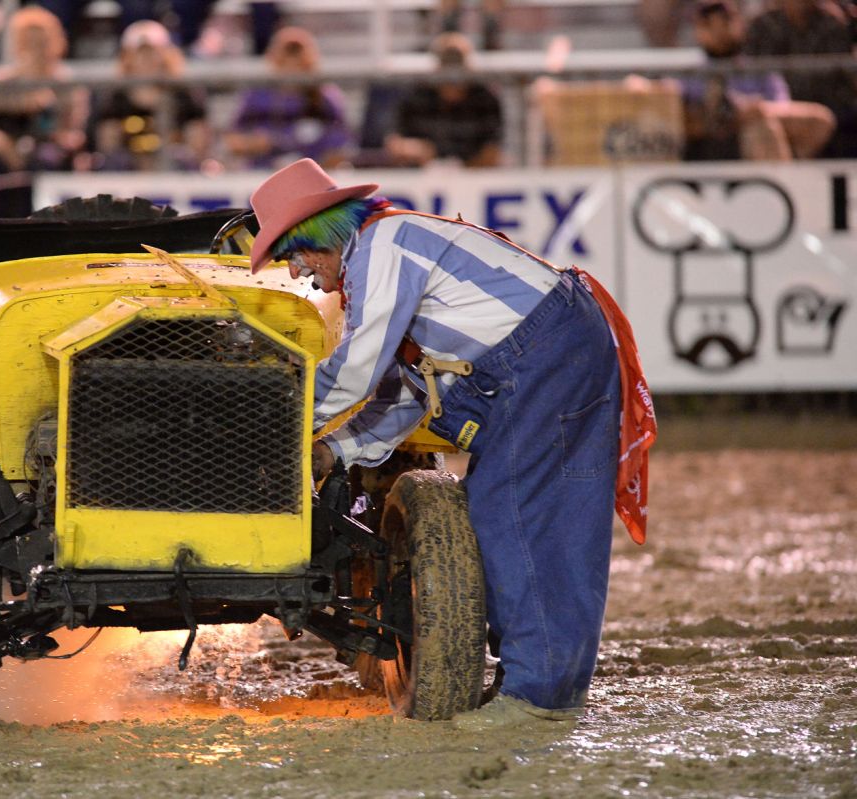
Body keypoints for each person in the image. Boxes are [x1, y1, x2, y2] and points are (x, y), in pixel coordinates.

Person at [248, 158, 656, 721]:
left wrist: (267, 415)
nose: (296, 274)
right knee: (537, 517)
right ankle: (543, 688)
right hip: (551, 349)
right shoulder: (394, 246)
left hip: (539, 359)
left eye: (295, 254)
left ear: (322, 237)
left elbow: (357, 368)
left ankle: (536, 700)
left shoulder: (383, 244)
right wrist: (336, 449)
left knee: (515, 513)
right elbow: (407, 389)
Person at [0, 6, 88, 216]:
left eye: (40, 41)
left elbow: (74, 131)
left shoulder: (67, 84)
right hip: (1, 149)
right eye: (27, 40)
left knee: (45, 159)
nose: (34, 48)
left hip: (47, 148)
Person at [683, 0, 835, 160]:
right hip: (706, 147)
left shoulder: (759, 70)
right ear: (697, 31)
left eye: (726, 21)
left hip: (758, 136)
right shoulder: (689, 74)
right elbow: (684, 118)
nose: (719, 32)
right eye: (709, 25)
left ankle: (788, 179)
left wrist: (752, 110)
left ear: (740, 24)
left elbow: (783, 107)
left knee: (768, 127)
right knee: (761, 129)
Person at [92, 20, 211, 171]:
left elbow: (197, 143)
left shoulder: (184, 93)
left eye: (152, 52)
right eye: (140, 53)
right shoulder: (116, 96)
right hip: (128, 173)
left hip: (175, 170)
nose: (146, 59)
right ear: (127, 56)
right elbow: (107, 143)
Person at [226, 26, 352, 169]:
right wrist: (253, 144)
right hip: (265, 175)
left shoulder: (325, 97)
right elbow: (233, 141)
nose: (292, 64)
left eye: (298, 56)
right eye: (286, 56)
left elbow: (342, 147)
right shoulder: (256, 96)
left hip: (314, 178)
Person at [744, 0, 857, 157]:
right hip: (779, 108)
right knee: (762, 125)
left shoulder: (834, 23)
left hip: (829, 108)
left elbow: (846, 77)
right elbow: (752, 75)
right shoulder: (763, 25)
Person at [384, 33, 503, 168]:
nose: (452, 72)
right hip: (420, 179)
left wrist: (458, 170)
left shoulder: (484, 100)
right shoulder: (415, 97)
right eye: (447, 61)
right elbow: (394, 144)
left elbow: (493, 152)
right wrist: (413, 149)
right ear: (437, 65)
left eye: (457, 61)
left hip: (473, 179)